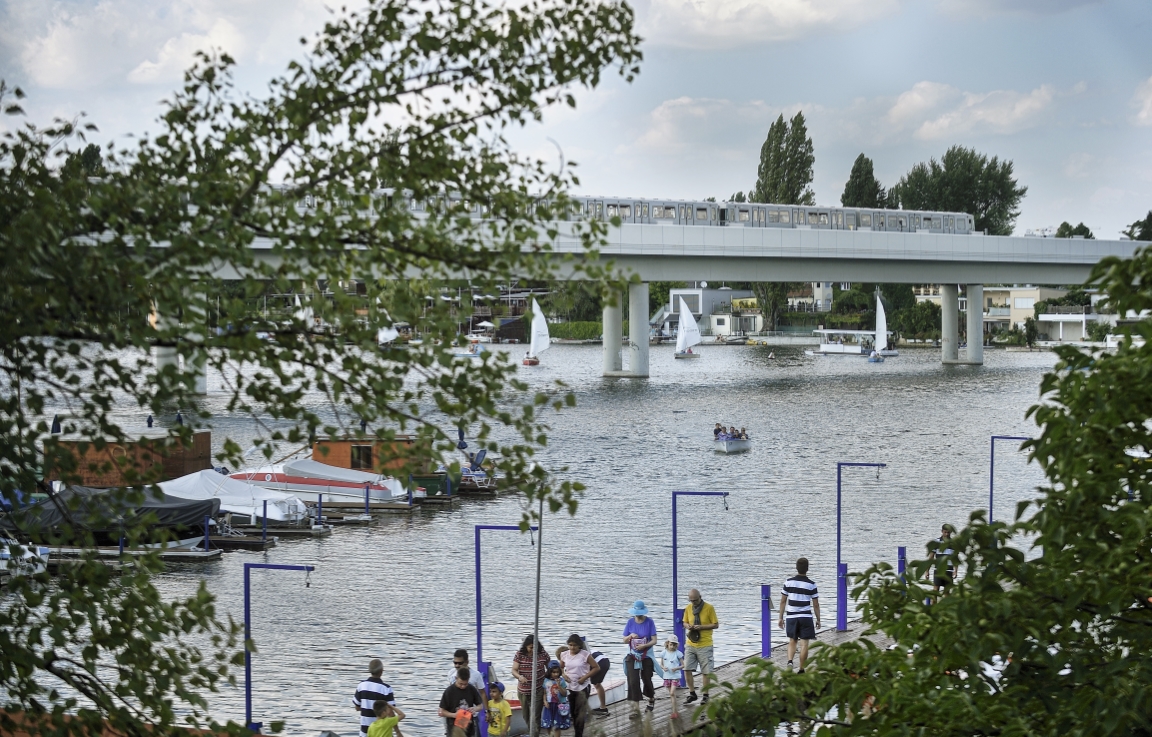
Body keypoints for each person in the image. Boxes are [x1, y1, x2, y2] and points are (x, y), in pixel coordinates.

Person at [778, 557, 820, 673]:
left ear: (796, 568)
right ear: (807, 569)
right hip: (805, 617)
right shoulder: (812, 585)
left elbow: (783, 601)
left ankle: (790, 661)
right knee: (804, 644)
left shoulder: (788, 582)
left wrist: (780, 617)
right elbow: (816, 604)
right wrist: (818, 619)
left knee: (792, 640)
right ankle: (801, 669)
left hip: (791, 616)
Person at [682, 588, 719, 705]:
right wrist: (687, 625)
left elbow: (716, 625)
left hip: (705, 644)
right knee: (686, 668)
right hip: (691, 644)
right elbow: (684, 622)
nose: (693, 602)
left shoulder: (709, 608)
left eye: (695, 600)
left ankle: (706, 695)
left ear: (700, 597)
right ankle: (692, 693)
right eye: (691, 600)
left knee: (706, 671)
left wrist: (701, 627)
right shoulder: (688, 608)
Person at [558, 634, 599, 737]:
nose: (572, 647)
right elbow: (561, 668)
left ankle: (578, 734)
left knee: (580, 712)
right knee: (573, 712)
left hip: (582, 686)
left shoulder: (585, 655)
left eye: (575, 645)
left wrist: (584, 678)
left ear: (579, 645)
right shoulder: (564, 654)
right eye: (570, 645)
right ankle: (577, 731)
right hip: (570, 686)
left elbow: (596, 667)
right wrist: (564, 674)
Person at [622, 600, 657, 718]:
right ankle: (635, 709)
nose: (637, 615)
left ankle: (651, 698)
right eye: (636, 613)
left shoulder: (649, 622)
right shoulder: (630, 622)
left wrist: (645, 645)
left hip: (646, 654)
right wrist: (630, 636)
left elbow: (654, 640)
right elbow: (624, 639)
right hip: (632, 654)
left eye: (639, 613)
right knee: (633, 680)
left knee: (646, 678)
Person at [512, 635, 549, 730]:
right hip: (523, 690)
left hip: (538, 689)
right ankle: (531, 731)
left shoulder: (543, 654)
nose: (533, 650)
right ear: (526, 647)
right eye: (530, 648)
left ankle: (534, 733)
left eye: (535, 647)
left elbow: (550, 667)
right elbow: (514, 670)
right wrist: (520, 677)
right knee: (526, 715)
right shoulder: (519, 654)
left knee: (535, 717)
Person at [353, 659, 396, 737]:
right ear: (381, 671)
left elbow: (357, 707)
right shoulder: (386, 689)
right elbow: (391, 713)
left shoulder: (361, 686)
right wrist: (398, 732)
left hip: (364, 732)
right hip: (382, 733)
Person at [438, 667, 484, 737]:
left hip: (469, 728)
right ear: (456, 678)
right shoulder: (449, 692)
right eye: (460, 683)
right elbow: (442, 711)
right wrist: (454, 715)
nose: (463, 686)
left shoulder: (471, 689)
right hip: (454, 729)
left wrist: (474, 709)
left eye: (465, 684)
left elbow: (480, 706)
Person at [540, 660, 570, 737]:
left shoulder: (562, 681)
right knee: (548, 724)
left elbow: (564, 693)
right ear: (549, 672)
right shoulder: (545, 680)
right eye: (553, 672)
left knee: (557, 725)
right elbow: (544, 692)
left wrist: (559, 685)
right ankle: (550, 735)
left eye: (557, 672)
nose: (556, 674)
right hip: (549, 705)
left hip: (559, 705)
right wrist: (544, 701)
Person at [926, 523, 957, 598]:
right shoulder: (936, 542)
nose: (946, 534)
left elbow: (955, 559)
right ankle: (933, 608)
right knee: (935, 591)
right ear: (942, 531)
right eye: (945, 532)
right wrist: (927, 570)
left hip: (949, 570)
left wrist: (955, 571)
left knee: (946, 592)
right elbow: (931, 557)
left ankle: (945, 608)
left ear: (951, 532)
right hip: (938, 570)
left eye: (948, 532)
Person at [659, 637, 685, 718]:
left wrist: (677, 668)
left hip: (675, 675)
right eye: (671, 644)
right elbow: (661, 664)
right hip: (667, 676)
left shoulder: (678, 653)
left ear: (676, 645)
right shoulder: (664, 653)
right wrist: (663, 668)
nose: (672, 646)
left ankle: (674, 711)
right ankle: (675, 711)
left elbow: (683, 665)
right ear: (667, 644)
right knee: (672, 695)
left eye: (674, 645)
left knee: (672, 693)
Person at [586, 642, 612, 716]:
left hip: (599, 663)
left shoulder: (580, 655)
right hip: (606, 661)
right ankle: (603, 707)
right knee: (597, 684)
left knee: (591, 684)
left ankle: (587, 708)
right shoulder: (586, 650)